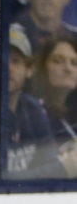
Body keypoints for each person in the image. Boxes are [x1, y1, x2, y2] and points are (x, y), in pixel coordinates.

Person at [0, 23, 74, 179]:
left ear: (29, 70)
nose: (8, 67)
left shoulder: (32, 108)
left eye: (16, 61)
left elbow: (48, 160)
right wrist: (64, 169)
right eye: (1, 60)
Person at [28, 35, 77, 177]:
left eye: (74, 63)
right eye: (58, 61)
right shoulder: (29, 112)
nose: (68, 68)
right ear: (42, 68)